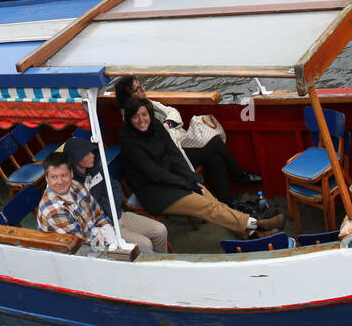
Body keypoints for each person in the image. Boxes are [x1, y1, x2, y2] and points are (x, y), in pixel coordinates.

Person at [120, 98, 283, 239]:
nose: (141, 120)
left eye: (144, 114)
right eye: (135, 117)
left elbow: (174, 155)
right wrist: (186, 184)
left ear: (149, 114)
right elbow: (154, 174)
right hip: (155, 192)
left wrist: (191, 180)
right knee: (206, 206)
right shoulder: (129, 143)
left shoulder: (155, 126)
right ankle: (257, 224)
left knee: (209, 198)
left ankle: (252, 234)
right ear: (129, 119)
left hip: (172, 181)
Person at [114, 76, 262, 203]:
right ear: (128, 96)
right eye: (138, 89)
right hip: (171, 157)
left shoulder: (147, 103)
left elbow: (172, 111)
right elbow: (156, 144)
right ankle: (238, 174)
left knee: (215, 157)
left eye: (141, 87)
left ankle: (228, 200)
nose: (143, 90)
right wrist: (168, 131)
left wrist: (168, 124)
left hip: (178, 144)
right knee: (215, 143)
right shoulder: (131, 117)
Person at [63, 137, 167, 253]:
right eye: (86, 154)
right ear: (76, 159)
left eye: (92, 152)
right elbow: (89, 214)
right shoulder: (72, 186)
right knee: (146, 244)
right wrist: (106, 205)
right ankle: (151, 267)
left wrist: (107, 205)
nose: (92, 155)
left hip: (119, 215)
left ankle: (164, 264)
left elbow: (116, 189)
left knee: (161, 230)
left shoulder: (97, 171)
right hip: (107, 228)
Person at [36, 153, 118, 252]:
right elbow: (82, 244)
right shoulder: (52, 209)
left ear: (71, 174)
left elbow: (98, 214)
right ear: (46, 178)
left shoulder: (76, 186)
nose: (60, 181)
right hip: (73, 254)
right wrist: (105, 238)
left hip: (94, 241)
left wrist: (106, 227)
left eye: (64, 175)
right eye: (54, 177)